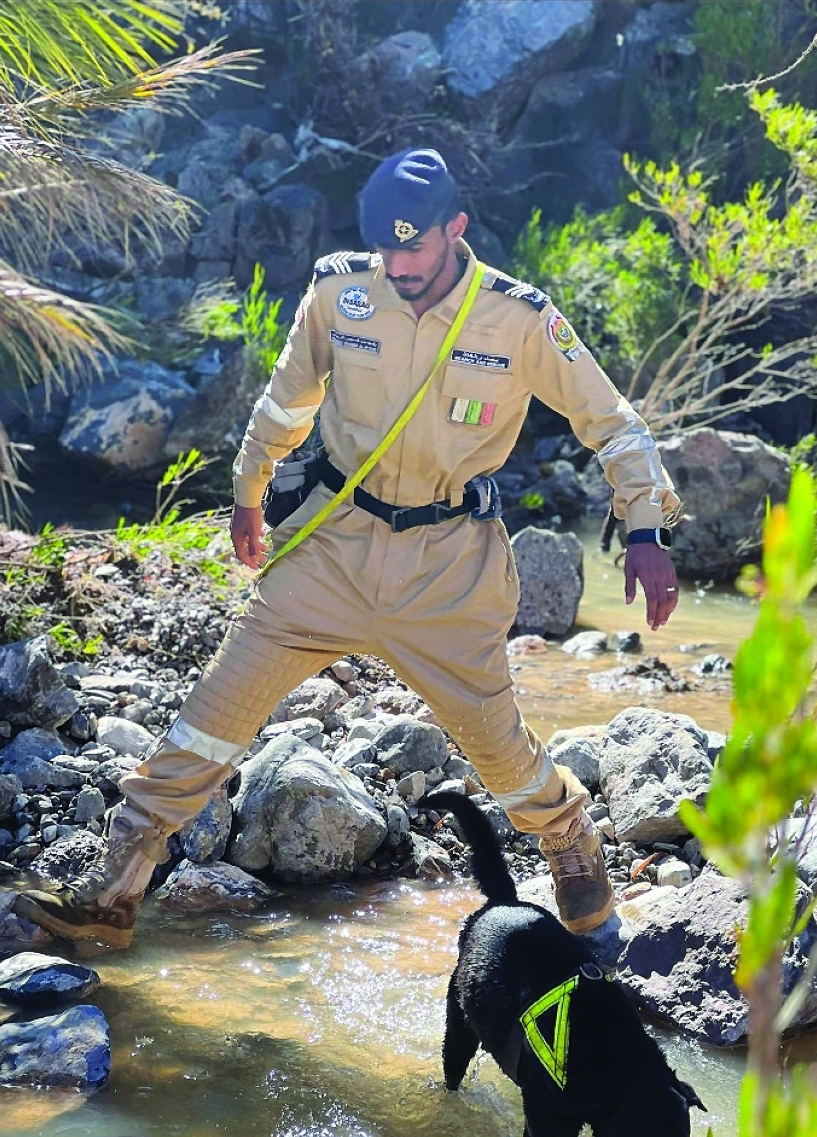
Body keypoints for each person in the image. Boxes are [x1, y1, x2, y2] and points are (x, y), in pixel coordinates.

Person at [15, 148, 681, 950]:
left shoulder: (518, 317)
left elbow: (611, 421)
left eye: (415, 247)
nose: (398, 265)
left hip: (449, 569)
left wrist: (643, 526)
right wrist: (248, 486)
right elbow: (288, 397)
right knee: (211, 715)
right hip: (332, 547)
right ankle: (114, 889)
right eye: (385, 248)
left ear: (456, 229)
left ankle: (568, 832)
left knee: (499, 754)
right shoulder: (341, 291)